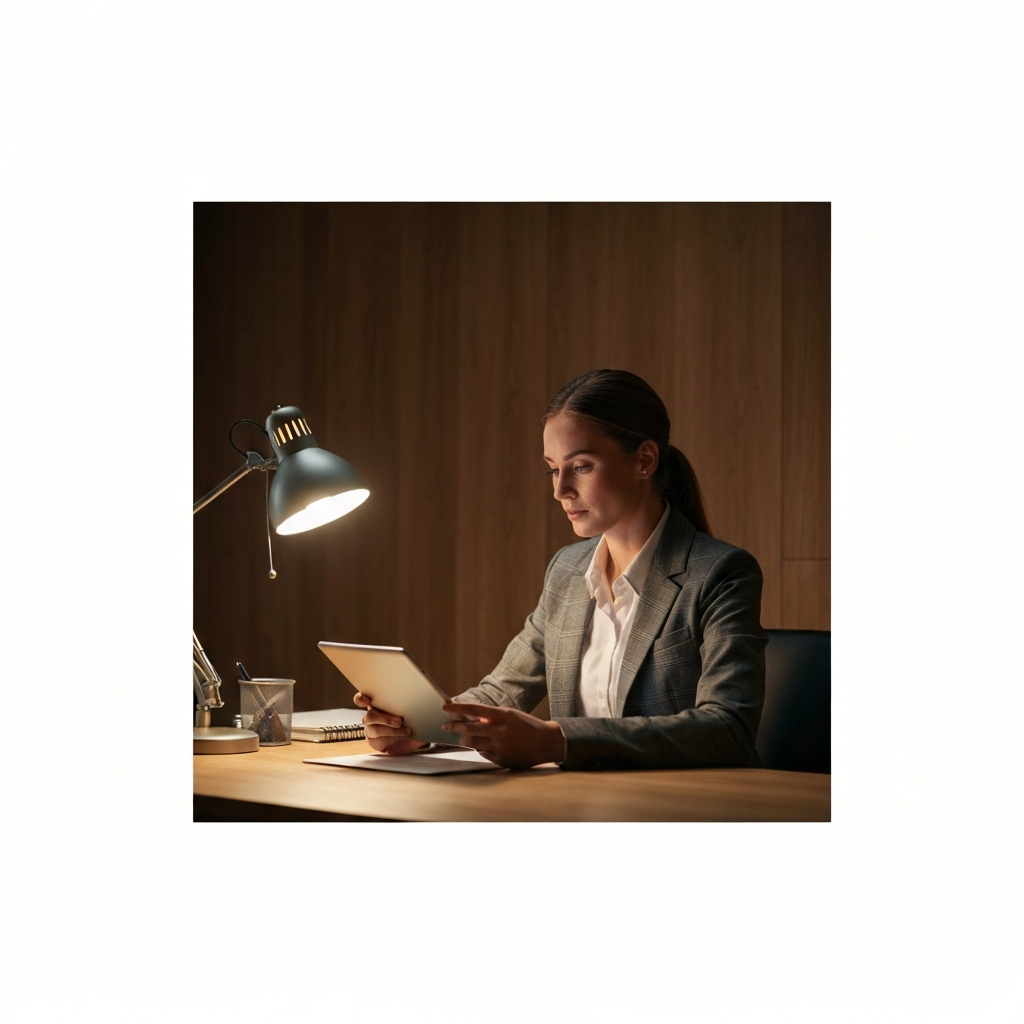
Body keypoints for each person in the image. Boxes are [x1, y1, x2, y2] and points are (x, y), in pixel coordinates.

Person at [355, 369, 767, 770]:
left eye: (581, 466)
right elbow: (503, 691)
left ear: (644, 460)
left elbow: (727, 727)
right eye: (554, 469)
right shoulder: (568, 570)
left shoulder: (720, 572)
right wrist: (422, 728)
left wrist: (557, 740)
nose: (559, 490)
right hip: (579, 808)